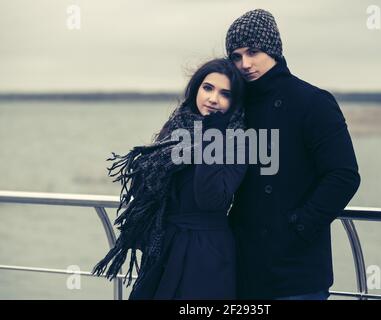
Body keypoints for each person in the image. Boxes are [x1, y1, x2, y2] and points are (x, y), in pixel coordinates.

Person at [225, 9, 361, 300]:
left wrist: (297, 228)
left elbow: (343, 175)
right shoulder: (235, 107)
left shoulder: (312, 101)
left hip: (297, 274)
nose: (245, 64)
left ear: (273, 49)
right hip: (243, 268)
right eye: (236, 57)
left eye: (253, 51)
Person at [92, 58, 247, 299]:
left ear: (234, 102)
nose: (213, 99)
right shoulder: (178, 127)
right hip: (164, 248)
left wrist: (212, 134)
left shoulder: (236, 142)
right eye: (208, 88)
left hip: (206, 253)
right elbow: (150, 186)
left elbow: (210, 198)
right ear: (196, 88)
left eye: (224, 94)